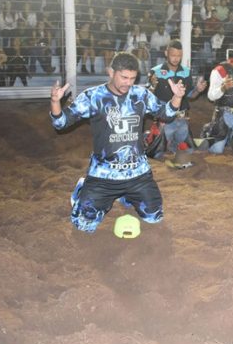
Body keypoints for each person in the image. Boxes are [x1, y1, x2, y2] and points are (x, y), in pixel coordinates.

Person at [49, 52, 186, 233]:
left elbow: (166, 114)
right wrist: (55, 102)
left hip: (137, 174)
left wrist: (177, 97)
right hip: (103, 175)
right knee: (83, 224)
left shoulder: (140, 95)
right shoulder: (93, 96)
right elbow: (60, 123)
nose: (128, 83)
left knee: (154, 217)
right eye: (124, 77)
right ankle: (83, 189)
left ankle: (126, 196)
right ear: (111, 72)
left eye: (132, 78)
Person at [145, 40, 208, 158]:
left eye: (179, 56)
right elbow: (148, 97)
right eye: (173, 55)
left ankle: (174, 145)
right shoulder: (156, 71)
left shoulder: (186, 72)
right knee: (157, 154)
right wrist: (153, 85)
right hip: (165, 121)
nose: (176, 58)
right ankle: (151, 138)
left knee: (188, 152)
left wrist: (198, 90)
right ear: (166, 53)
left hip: (182, 119)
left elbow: (190, 95)